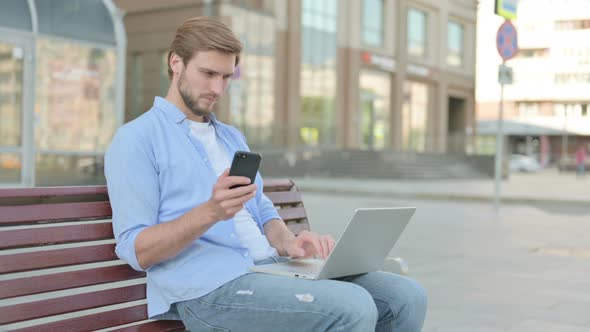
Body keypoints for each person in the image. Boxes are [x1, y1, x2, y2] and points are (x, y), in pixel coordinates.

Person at [105, 16, 427, 332]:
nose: (217, 88)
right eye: (208, 73)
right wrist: (210, 212)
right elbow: (136, 249)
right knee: (351, 306)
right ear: (176, 62)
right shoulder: (137, 139)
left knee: (406, 296)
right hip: (207, 292)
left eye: (227, 77)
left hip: (271, 270)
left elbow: (259, 208)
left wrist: (290, 243)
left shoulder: (230, 136)